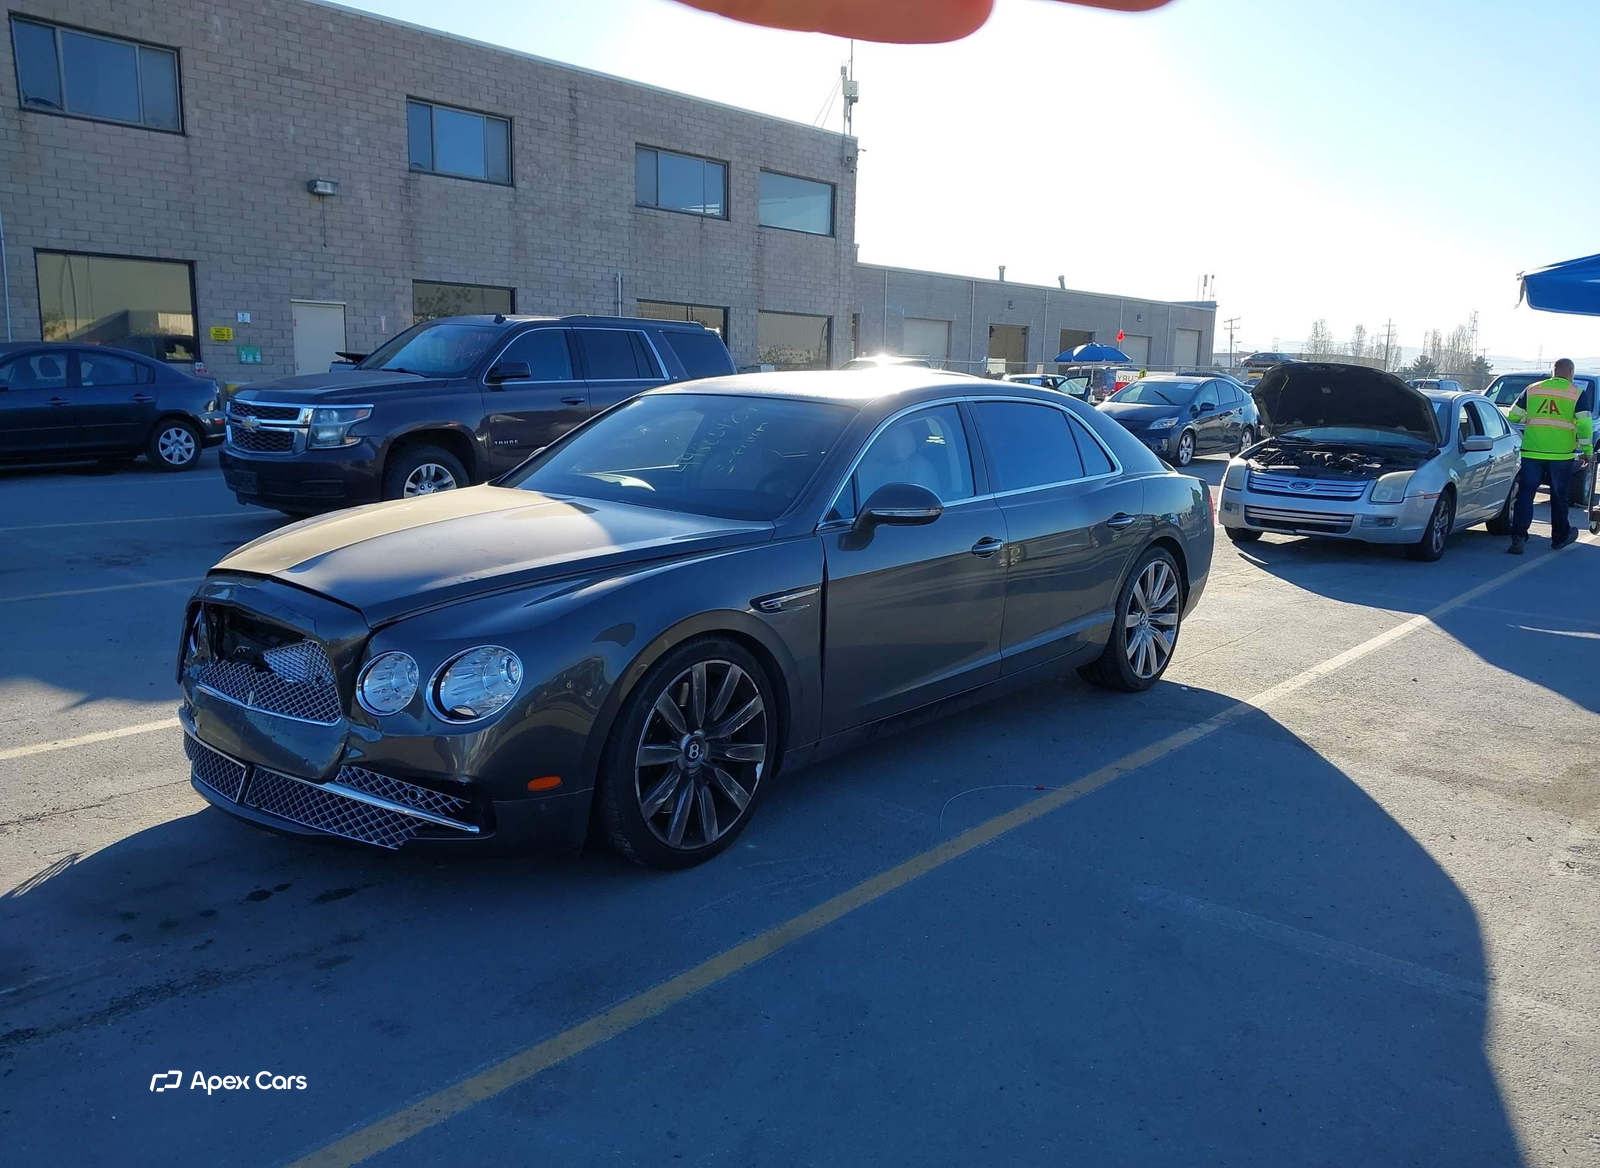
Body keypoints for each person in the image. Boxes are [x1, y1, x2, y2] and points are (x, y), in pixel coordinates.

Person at [1506, 358, 1593, 554]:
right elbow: (1585, 424)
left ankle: (1518, 538)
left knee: (1525, 494)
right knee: (1559, 496)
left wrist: (1532, 418)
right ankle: (1560, 538)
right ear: (1571, 372)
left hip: (1532, 452)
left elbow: (1513, 415)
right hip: (1561, 455)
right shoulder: (1577, 393)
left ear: (1553, 371)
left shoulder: (1533, 389)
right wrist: (1587, 451)